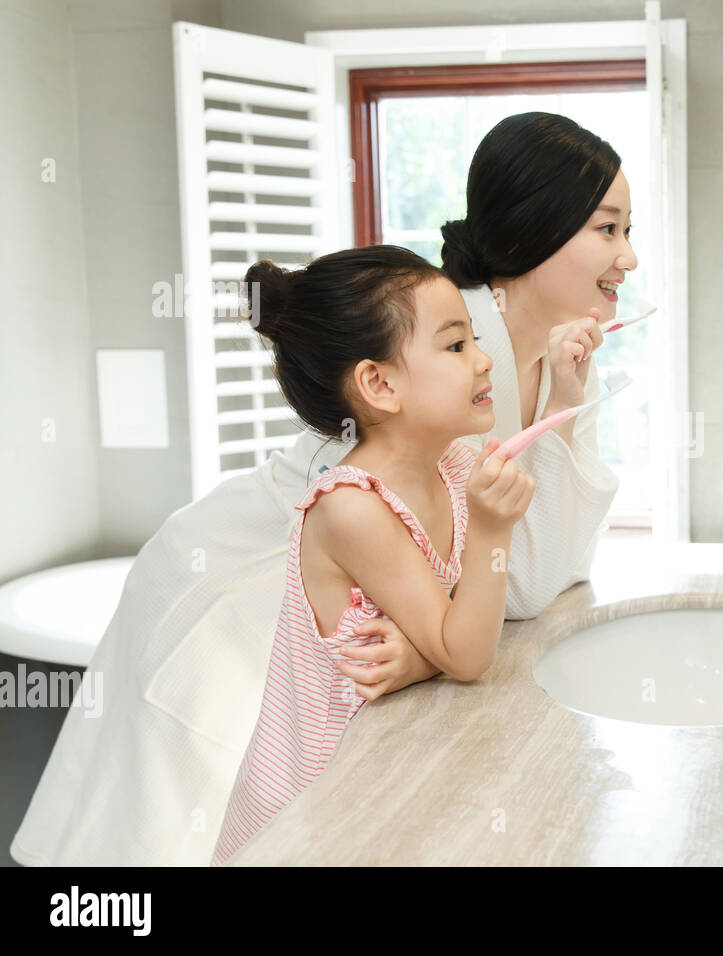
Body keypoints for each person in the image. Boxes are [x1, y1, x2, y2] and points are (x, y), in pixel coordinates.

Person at [11, 111, 635, 866]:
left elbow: (538, 580)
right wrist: (430, 639)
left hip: (347, 597)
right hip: (237, 587)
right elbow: (444, 543)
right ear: (526, 238)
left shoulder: (543, 361)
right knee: (168, 833)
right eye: (607, 229)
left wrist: (427, 646)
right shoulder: (436, 353)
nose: (627, 257)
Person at [210, 247, 533, 864]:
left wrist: (418, 658)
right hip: (312, 812)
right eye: (456, 346)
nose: (485, 360)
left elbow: (452, 634)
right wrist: (493, 533)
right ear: (379, 384)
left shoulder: (453, 467)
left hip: (381, 781)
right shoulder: (352, 508)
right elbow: (466, 653)